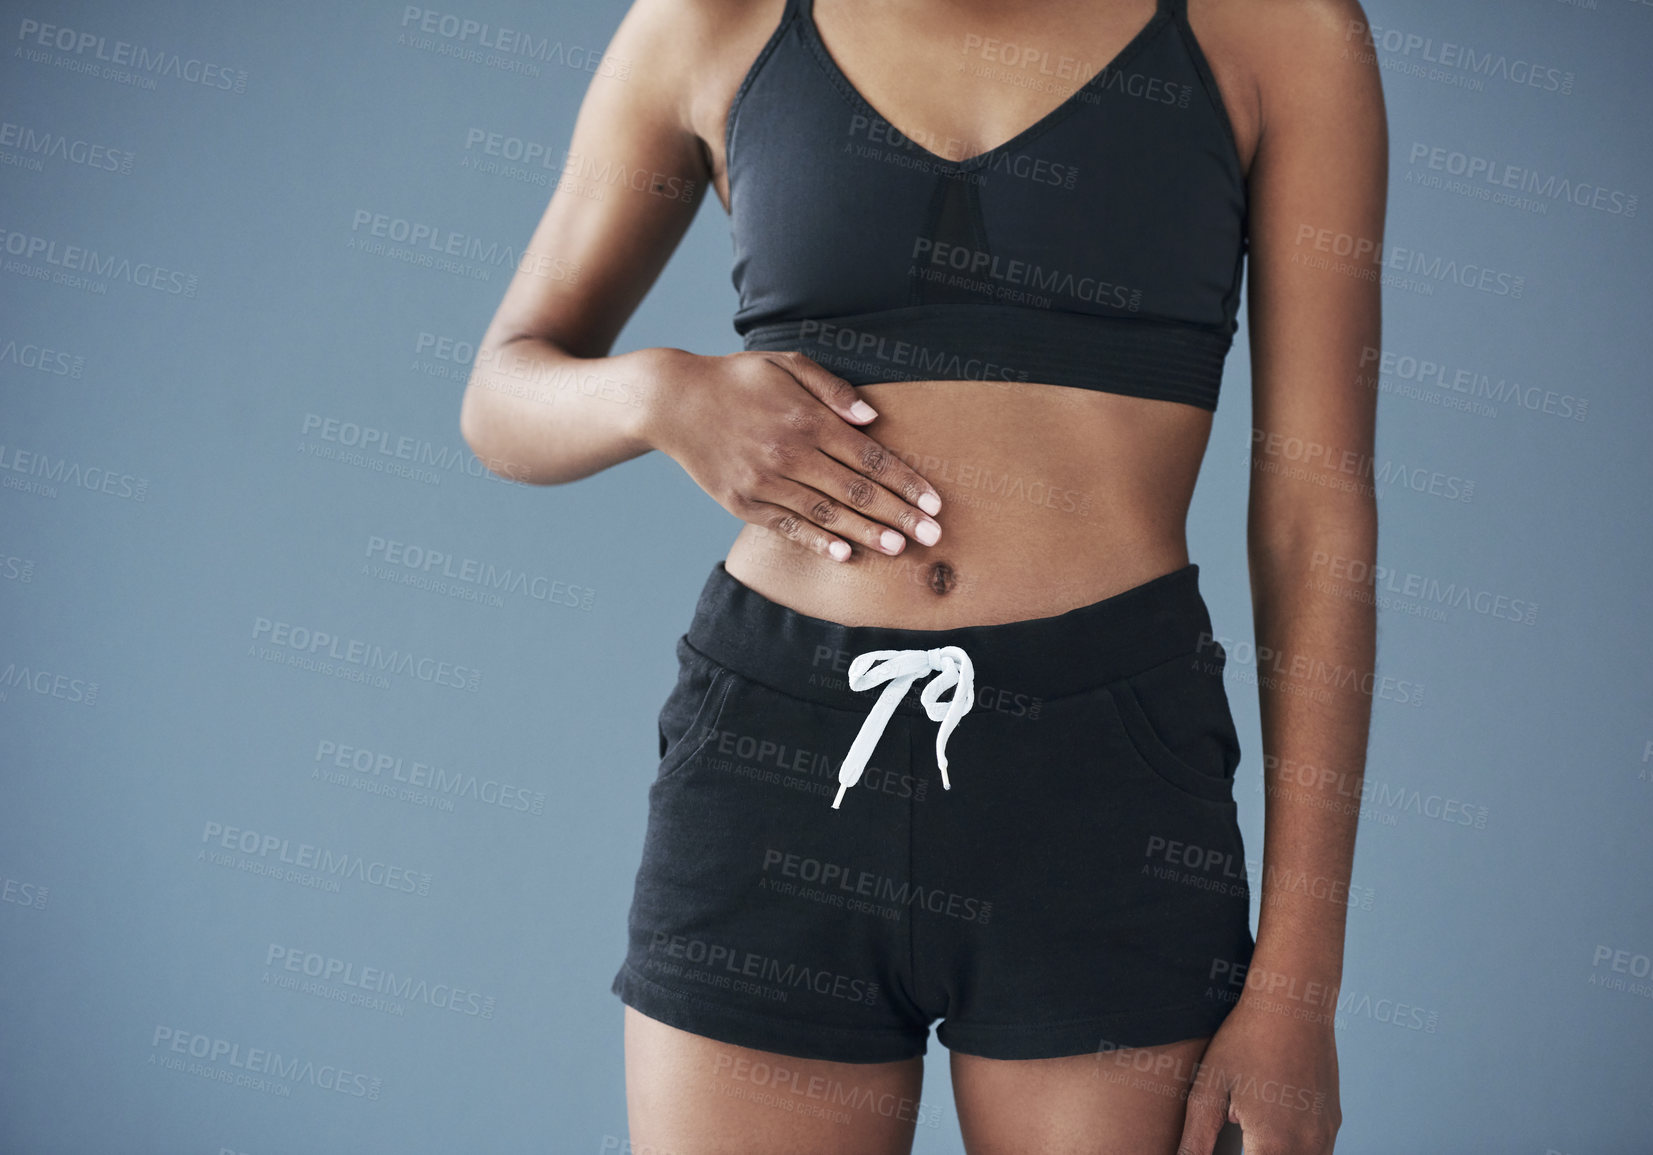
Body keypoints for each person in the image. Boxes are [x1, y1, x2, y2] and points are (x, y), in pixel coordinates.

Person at [460, 0, 1386, 1150]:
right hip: (776, 749)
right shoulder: (712, 22)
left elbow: (1314, 510)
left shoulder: (1275, 28)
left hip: (1101, 776)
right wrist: (661, 395)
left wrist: (1301, 988)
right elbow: (501, 401)